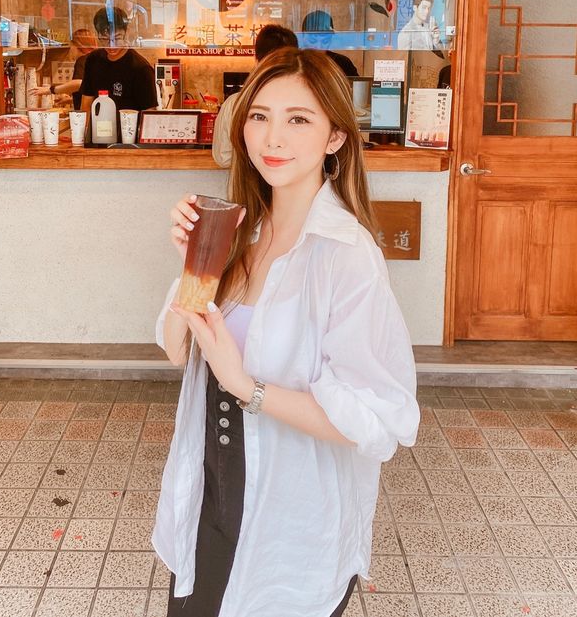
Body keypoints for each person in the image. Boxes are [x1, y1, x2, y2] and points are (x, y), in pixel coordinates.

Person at [155, 48, 420, 617]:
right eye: (259, 116)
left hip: (293, 511)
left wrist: (244, 385)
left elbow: (375, 419)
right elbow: (178, 351)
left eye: (298, 119)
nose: (272, 137)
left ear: (335, 138)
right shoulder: (238, 229)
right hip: (209, 493)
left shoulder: (347, 256)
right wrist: (194, 267)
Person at [212, 23, 298, 168]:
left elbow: (223, 157)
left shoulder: (235, 103)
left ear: (257, 59)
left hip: (247, 181)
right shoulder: (306, 102)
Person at [79, 7, 157, 134]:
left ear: (127, 32)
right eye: (105, 39)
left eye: (117, 38)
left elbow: (150, 116)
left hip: (128, 140)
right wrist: (83, 136)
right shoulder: (93, 60)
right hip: (98, 137)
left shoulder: (140, 68)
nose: (111, 45)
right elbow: (86, 104)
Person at [30, 27, 98, 110]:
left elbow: (79, 83)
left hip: (88, 113)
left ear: (76, 46)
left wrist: (51, 90)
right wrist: (71, 100)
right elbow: (90, 90)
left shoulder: (82, 60)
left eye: (71, 45)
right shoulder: (95, 59)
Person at [301, 10, 358, 76]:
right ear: (302, 36)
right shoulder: (295, 63)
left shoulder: (342, 63)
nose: (319, 47)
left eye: (325, 41)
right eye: (312, 41)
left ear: (330, 39)